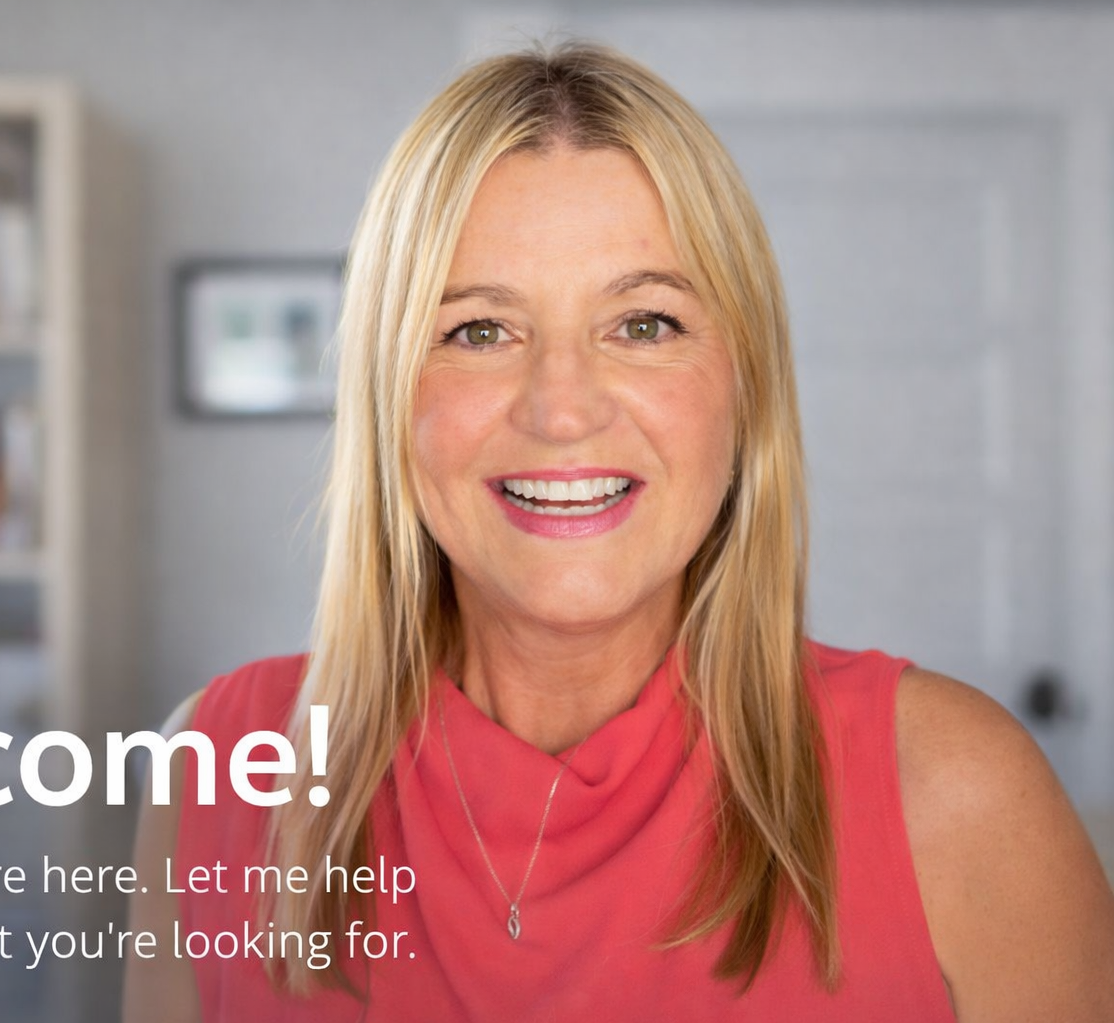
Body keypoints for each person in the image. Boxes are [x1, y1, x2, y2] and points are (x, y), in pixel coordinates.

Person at [124, 42, 1114, 1022]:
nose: (563, 410)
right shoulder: (216, 764)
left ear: (745, 386)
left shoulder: (955, 790)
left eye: (643, 324)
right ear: (388, 395)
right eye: (478, 330)